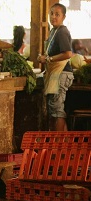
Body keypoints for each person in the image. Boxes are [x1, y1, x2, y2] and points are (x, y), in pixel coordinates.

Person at [38, 3, 73, 131]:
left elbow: (68, 53)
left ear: (63, 16)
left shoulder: (62, 31)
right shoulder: (53, 31)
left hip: (62, 74)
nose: (53, 16)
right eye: (51, 13)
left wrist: (48, 59)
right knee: (54, 109)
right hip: (55, 74)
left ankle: (57, 145)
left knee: (57, 110)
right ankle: (64, 145)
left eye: (57, 14)